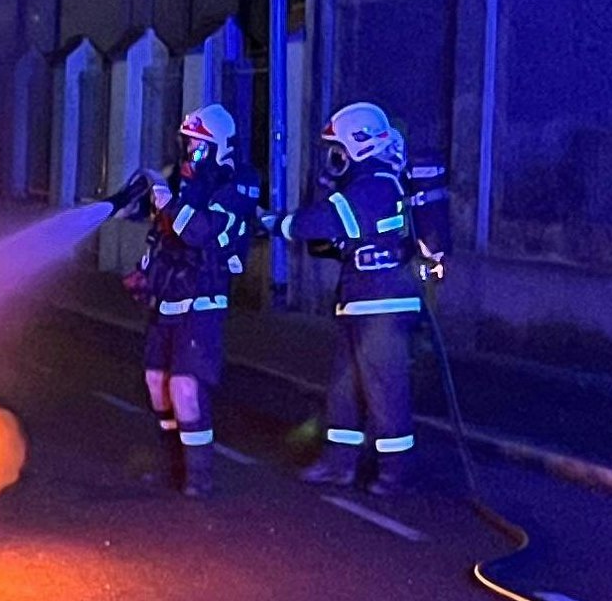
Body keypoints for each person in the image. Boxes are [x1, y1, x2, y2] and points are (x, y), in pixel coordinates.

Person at [273, 101, 427, 496]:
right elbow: (336, 235)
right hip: (362, 299)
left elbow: (322, 221)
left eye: (337, 149)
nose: (333, 158)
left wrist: (279, 224)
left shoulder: (375, 184)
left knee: (384, 389)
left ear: (356, 145)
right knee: (344, 388)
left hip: (383, 302)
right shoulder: (367, 184)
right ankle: (338, 463)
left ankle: (394, 472)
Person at [123, 104, 262, 498]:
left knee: (185, 386)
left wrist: (171, 203)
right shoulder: (182, 182)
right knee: (157, 383)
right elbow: (161, 237)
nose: (190, 155)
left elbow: (201, 232)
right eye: (188, 145)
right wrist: (144, 273)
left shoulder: (237, 184)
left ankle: (199, 477)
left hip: (203, 297)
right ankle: (173, 465)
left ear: (219, 147)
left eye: (199, 147)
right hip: (167, 297)